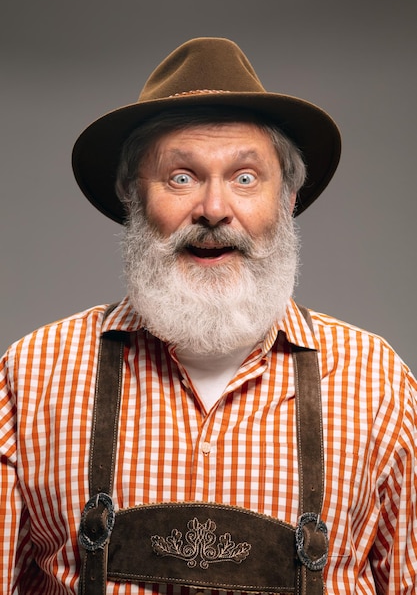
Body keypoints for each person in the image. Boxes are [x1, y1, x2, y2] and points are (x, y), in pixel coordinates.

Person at [0, 37, 415, 595]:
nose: (215, 209)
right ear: (133, 196)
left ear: (287, 197)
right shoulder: (32, 377)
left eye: (245, 177)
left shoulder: (379, 387)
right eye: (181, 177)